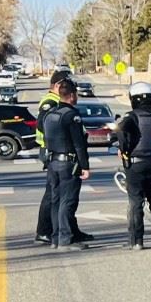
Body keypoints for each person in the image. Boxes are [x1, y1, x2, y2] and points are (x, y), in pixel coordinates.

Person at [115, 81, 151, 249]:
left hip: (135, 164)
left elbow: (120, 130)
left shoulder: (130, 116)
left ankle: (137, 241)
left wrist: (124, 149)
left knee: (136, 201)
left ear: (133, 99)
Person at [32, 73, 90, 245]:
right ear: (71, 95)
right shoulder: (60, 108)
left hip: (53, 159)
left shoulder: (53, 111)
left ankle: (59, 236)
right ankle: (57, 235)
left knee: (57, 199)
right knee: (65, 199)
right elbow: (78, 143)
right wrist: (85, 165)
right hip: (64, 159)